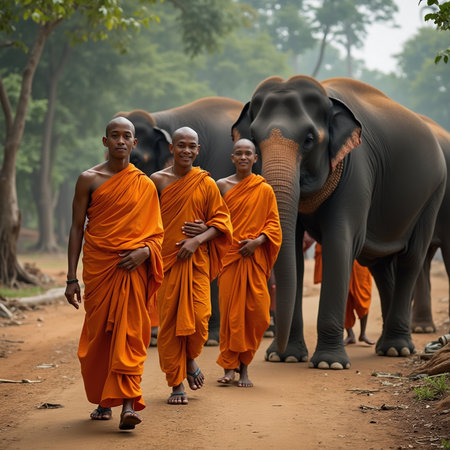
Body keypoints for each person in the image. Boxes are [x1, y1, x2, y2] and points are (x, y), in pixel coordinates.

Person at [65, 117, 164, 431]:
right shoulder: (88, 180)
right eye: (115, 136)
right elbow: (77, 228)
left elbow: (157, 234)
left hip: (132, 272)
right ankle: (103, 401)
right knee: (100, 338)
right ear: (105, 141)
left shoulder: (145, 184)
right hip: (99, 269)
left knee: (131, 335)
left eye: (127, 136)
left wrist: (144, 252)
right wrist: (70, 277)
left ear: (135, 144)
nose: (121, 141)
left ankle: (127, 405)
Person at [150, 127, 233, 405]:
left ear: (198, 150)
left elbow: (222, 224)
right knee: (170, 324)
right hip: (167, 262)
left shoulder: (206, 184)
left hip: (196, 262)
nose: (186, 150)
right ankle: (176, 384)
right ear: (172, 148)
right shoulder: (157, 181)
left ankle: (190, 359)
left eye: (192, 146)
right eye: (181, 145)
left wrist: (199, 238)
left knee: (198, 319)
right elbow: (148, 221)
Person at [215, 138, 282, 387]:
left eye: (248, 154)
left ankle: (244, 369)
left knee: (257, 316)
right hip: (230, 259)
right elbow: (215, 219)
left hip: (254, 259)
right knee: (231, 316)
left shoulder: (264, 190)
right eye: (239, 153)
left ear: (255, 158)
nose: (243, 157)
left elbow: (274, 225)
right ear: (232, 158)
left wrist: (257, 242)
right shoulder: (221, 186)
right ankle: (229, 368)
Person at [312, 242, 374, 346]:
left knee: (364, 297)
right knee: (343, 299)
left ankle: (363, 333)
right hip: (340, 258)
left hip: (359, 259)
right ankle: (350, 334)